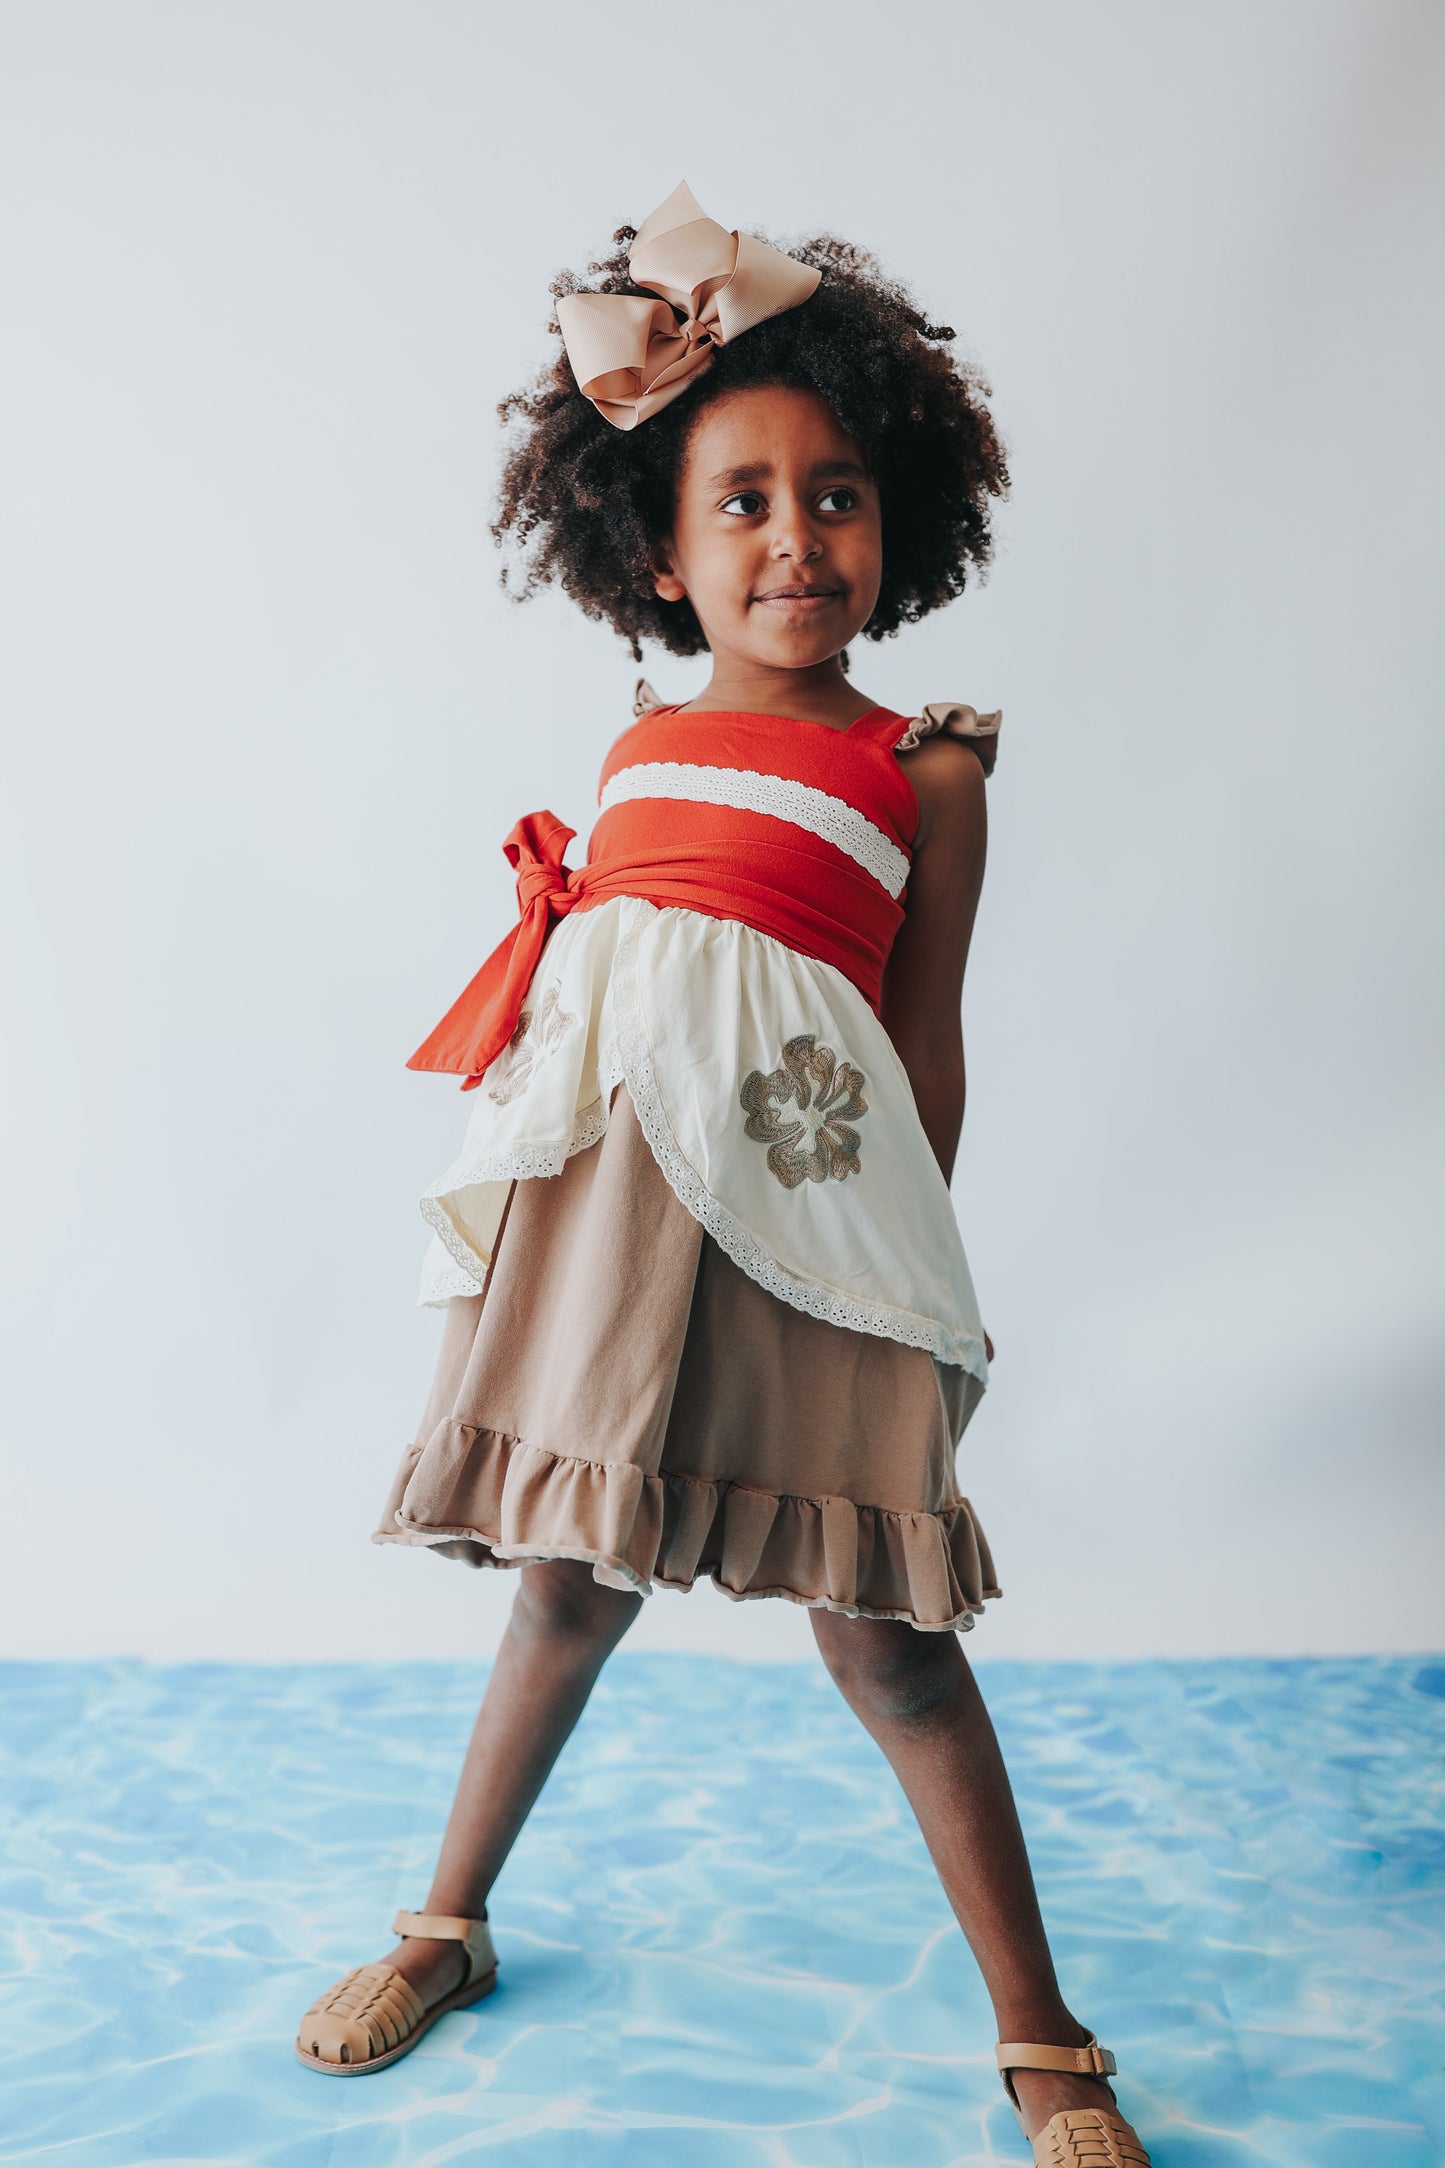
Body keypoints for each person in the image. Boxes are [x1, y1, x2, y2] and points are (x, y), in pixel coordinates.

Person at [294, 184, 1151, 2167]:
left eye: (833, 495)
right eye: (743, 502)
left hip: (812, 1226)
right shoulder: (637, 747)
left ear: (897, 519)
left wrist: (908, 1288)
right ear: (658, 557)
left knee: (892, 1644)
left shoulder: (924, 768)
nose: (796, 537)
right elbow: (602, 1012)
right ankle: (448, 1920)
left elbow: (923, 1046)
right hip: (612, 1225)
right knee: (560, 1594)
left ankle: (1042, 2036)